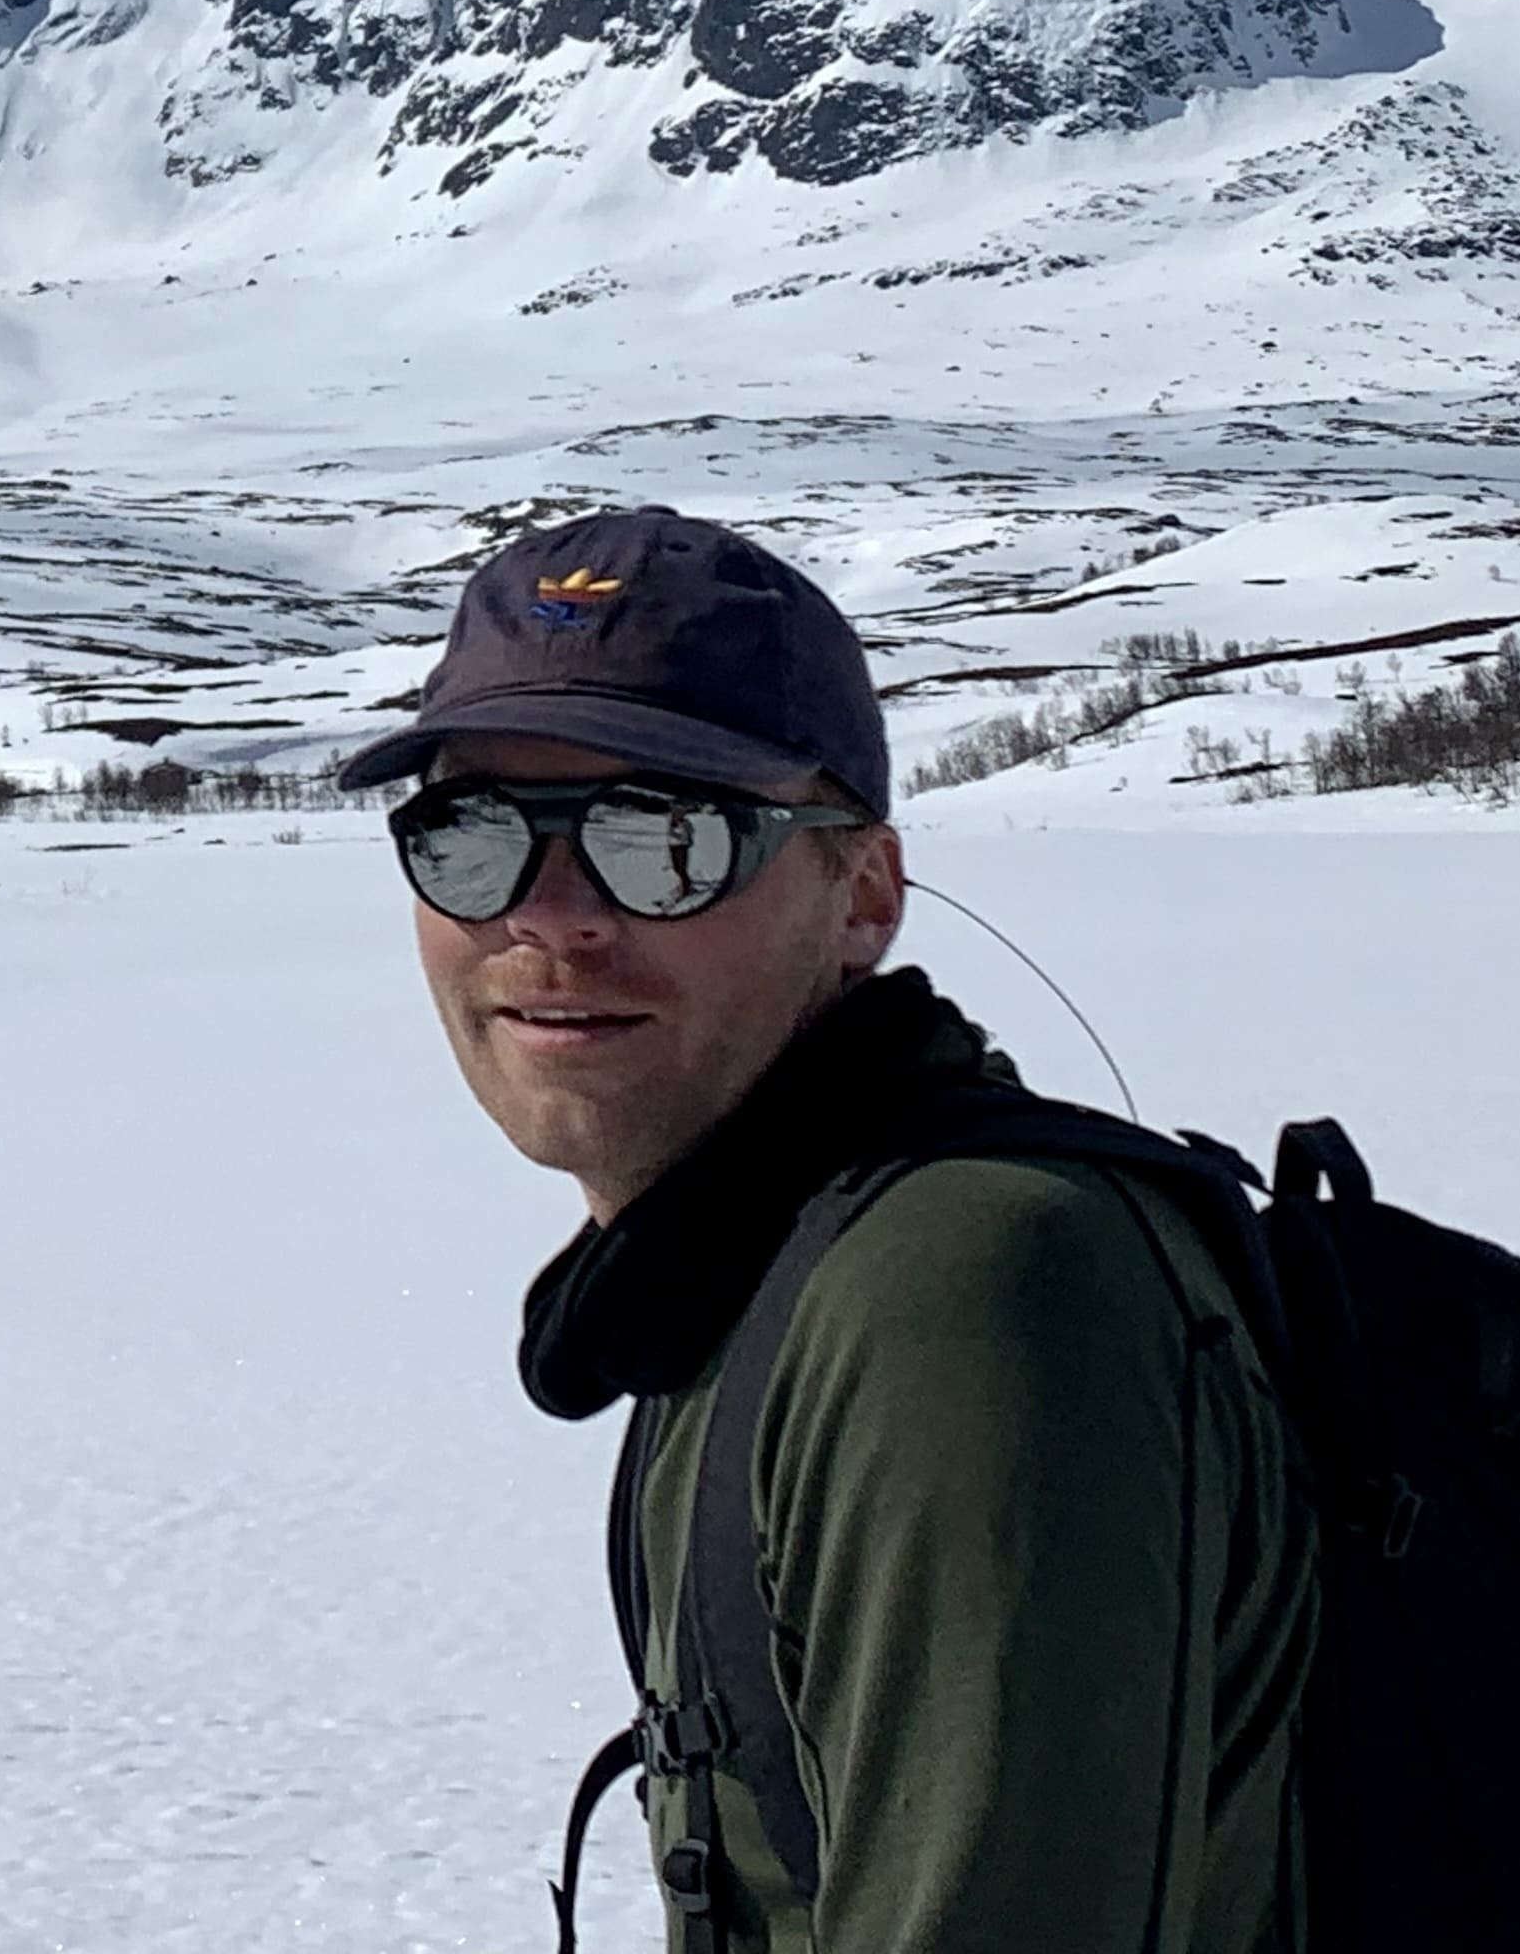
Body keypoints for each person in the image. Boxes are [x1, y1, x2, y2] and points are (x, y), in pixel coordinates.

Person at [341, 507, 1315, 1954]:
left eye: (661, 838)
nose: (550, 919)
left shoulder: (966, 1300)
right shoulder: (742, 1266)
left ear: (862, 892)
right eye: (472, 838)